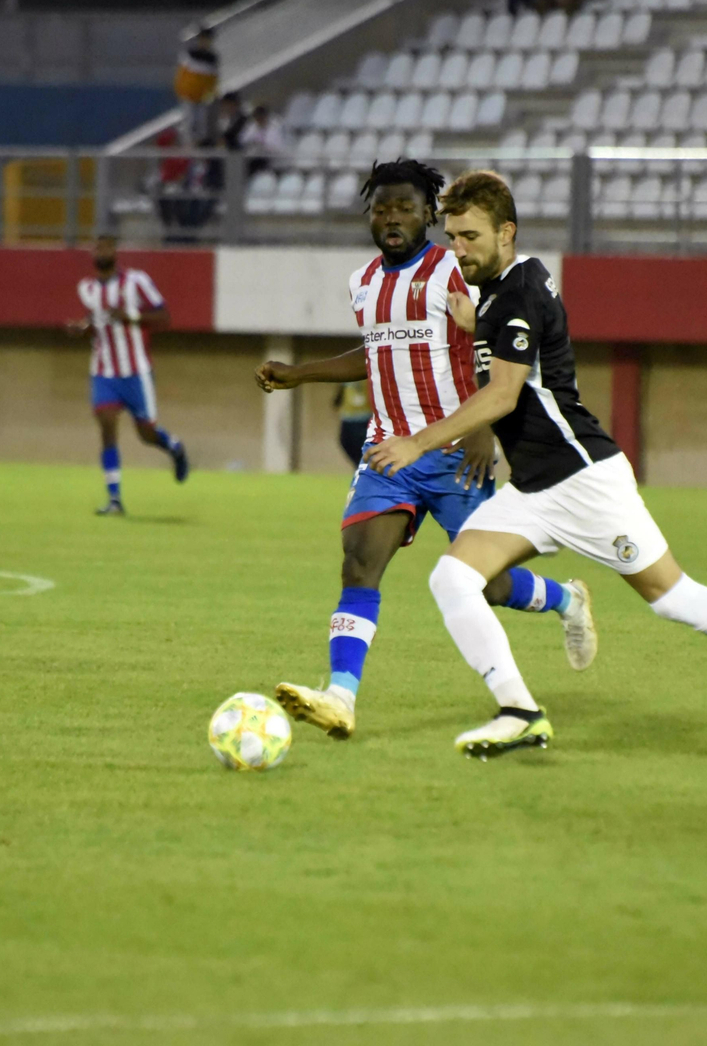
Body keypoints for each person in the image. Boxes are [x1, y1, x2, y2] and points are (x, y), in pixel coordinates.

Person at [364, 171, 707, 758]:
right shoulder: (505, 291)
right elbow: (512, 353)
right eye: (451, 236)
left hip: (584, 480)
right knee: (452, 577)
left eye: (470, 236)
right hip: (531, 489)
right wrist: (478, 325)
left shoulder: (518, 296)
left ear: (507, 232)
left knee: (671, 597)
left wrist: (416, 443)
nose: (458, 250)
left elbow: (502, 396)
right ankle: (519, 710)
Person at [253, 160, 595, 741]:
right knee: (359, 561)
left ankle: (566, 601)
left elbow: (489, 342)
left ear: (428, 216)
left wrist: (486, 428)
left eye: (406, 208)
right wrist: (300, 374)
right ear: (369, 214)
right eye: (382, 207)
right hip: (389, 452)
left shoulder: (452, 272)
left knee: (487, 584)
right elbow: (376, 352)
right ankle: (340, 696)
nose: (392, 217)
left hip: (458, 448)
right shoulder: (363, 281)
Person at [65, 235, 190, 515]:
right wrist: (80, 329)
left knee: (146, 433)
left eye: (106, 245)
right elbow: (95, 323)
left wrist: (130, 316)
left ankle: (174, 448)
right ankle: (115, 499)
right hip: (104, 370)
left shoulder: (136, 281)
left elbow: (164, 317)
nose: (101, 250)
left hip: (136, 371)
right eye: (96, 246)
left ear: (115, 251)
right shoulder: (86, 289)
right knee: (106, 423)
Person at [173, 27, 219, 146]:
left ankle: (199, 149)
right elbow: (181, 75)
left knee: (201, 127)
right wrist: (182, 92)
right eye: (203, 39)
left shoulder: (212, 59)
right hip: (189, 96)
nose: (205, 42)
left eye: (208, 39)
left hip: (202, 99)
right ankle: (187, 148)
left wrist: (210, 96)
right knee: (188, 125)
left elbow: (213, 81)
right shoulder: (190, 54)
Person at [237, 105, 289, 175]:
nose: (259, 120)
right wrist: (253, 140)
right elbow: (242, 139)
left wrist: (263, 146)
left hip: (269, 158)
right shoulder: (252, 126)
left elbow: (277, 147)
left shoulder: (274, 128)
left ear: (265, 117)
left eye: (261, 118)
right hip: (253, 157)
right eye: (257, 118)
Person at [333, 380, 372, 464]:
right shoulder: (348, 375)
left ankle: (364, 465)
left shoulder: (371, 374)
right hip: (348, 417)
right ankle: (359, 464)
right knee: (346, 443)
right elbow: (341, 392)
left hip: (365, 416)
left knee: (364, 444)